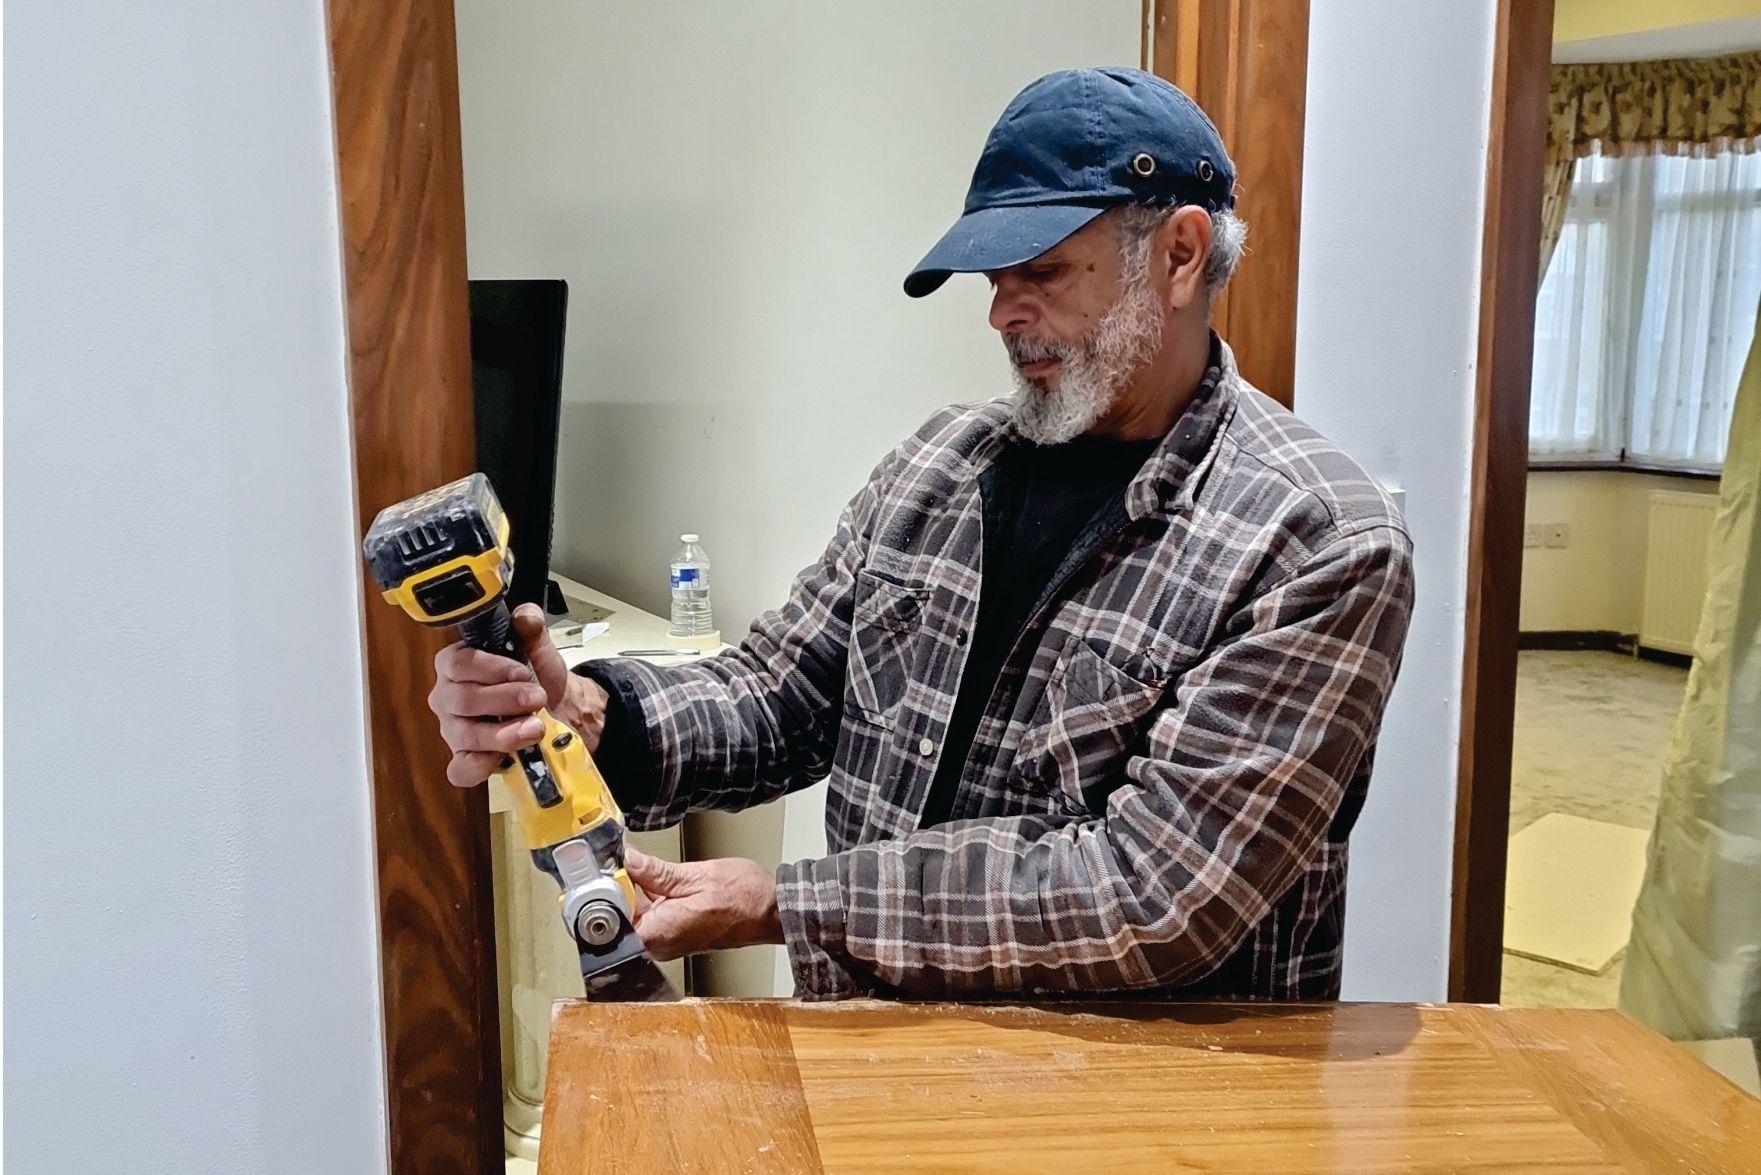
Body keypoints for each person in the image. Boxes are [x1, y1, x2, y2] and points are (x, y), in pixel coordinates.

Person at [429, 67, 1415, 1001]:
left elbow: (1154, 893)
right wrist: (592, 711)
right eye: (991, 277)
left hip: (1134, 1115)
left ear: (1182, 253)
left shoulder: (1318, 540)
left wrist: (791, 903)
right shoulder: (939, 463)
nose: (1000, 313)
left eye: (1040, 271)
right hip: (871, 1058)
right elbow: (780, 693)